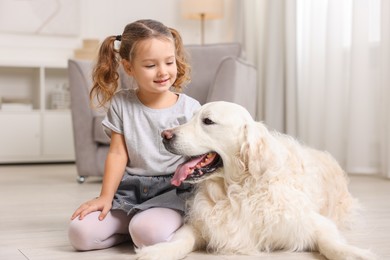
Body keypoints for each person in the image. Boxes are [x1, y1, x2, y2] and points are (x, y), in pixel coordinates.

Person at [68, 19, 200, 251]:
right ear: (129, 68)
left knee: (147, 233)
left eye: (169, 62)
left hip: (173, 192)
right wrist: (104, 198)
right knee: (80, 234)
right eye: (150, 66)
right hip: (131, 191)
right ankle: (134, 227)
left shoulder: (190, 108)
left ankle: (150, 226)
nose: (163, 72)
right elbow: (118, 154)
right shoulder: (121, 103)